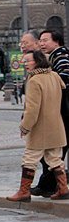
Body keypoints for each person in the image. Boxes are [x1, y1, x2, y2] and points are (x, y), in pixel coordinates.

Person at [6, 50, 69, 201]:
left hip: (40, 128)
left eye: (28, 61)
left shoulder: (34, 80)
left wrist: (25, 127)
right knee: (54, 158)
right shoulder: (54, 76)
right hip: (56, 125)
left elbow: (32, 110)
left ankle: (24, 191)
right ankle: (63, 188)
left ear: (37, 61)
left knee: (29, 159)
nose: (25, 64)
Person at [30, 29, 69, 196]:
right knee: (53, 152)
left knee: (51, 151)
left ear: (57, 42)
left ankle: (50, 186)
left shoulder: (61, 57)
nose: (42, 43)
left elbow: (64, 81)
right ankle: (52, 186)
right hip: (60, 112)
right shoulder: (54, 57)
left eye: (45, 40)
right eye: (40, 41)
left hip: (63, 112)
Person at [16, 30, 40, 103]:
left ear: (37, 43)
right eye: (21, 43)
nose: (22, 46)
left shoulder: (46, 63)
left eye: (26, 43)